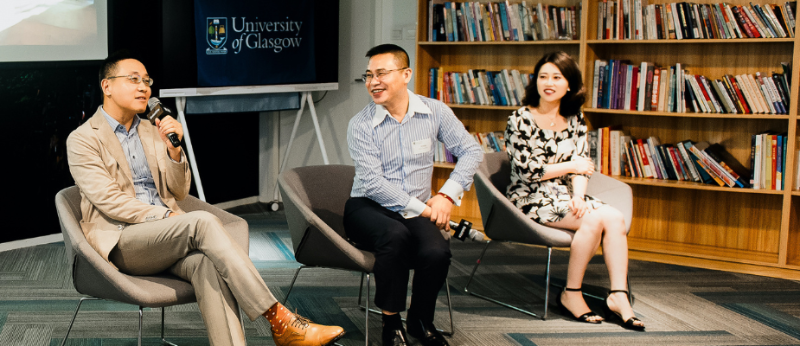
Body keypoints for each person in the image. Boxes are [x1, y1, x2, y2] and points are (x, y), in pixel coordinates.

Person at [66, 50, 345, 346]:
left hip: (167, 237)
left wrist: (174, 151)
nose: (143, 87)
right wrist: (167, 217)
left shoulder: (152, 130)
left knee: (209, 265)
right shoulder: (83, 138)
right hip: (124, 241)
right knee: (200, 221)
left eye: (147, 80)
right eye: (133, 79)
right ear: (107, 86)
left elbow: (179, 192)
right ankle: (280, 320)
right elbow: (109, 200)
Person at [345, 44, 483, 346]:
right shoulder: (361, 125)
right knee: (395, 237)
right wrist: (426, 210)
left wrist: (446, 196)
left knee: (437, 252)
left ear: (406, 74)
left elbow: (471, 150)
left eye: (382, 73)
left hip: (418, 208)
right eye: (369, 75)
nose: (373, 82)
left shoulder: (434, 111)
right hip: (367, 207)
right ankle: (391, 321)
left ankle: (421, 320)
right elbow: (372, 183)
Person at [505, 51, 645, 331]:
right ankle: (571, 293)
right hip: (530, 196)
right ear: (536, 82)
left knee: (614, 218)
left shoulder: (575, 118)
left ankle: (618, 295)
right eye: (543, 76)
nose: (549, 82)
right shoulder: (520, 119)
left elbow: (583, 167)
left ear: (569, 85)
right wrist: (570, 165)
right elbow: (528, 171)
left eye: (557, 77)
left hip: (565, 195)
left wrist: (578, 196)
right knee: (595, 220)